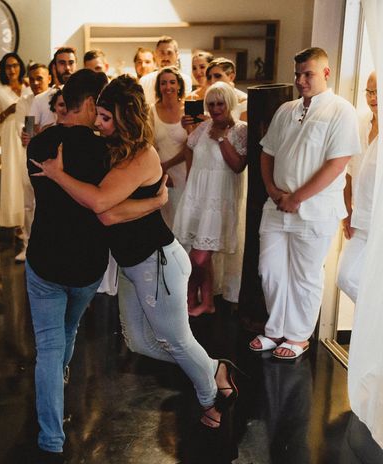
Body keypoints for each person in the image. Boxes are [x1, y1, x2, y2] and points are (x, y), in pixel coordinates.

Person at [32, 74, 240, 439]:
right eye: (96, 115)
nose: (98, 123)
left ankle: (214, 399)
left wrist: (57, 174)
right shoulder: (113, 149)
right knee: (138, 342)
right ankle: (213, 366)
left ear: (125, 118)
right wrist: (156, 200)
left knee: (177, 339)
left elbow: (103, 209)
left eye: (105, 117)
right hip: (132, 265)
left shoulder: (142, 155)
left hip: (158, 260)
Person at [25, 70, 175, 464]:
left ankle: (50, 438)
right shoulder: (107, 151)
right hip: (88, 265)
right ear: (91, 105)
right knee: (67, 333)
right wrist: (158, 197)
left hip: (44, 260)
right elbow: (106, 203)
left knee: (49, 345)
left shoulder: (38, 144)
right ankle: (54, 396)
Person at [250, 47, 360, 360]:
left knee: (305, 274)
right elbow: (267, 152)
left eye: (307, 74)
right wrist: (273, 190)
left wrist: (298, 197)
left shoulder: (342, 110)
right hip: (277, 204)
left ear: (326, 73)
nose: (300, 80)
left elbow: (337, 163)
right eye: (297, 74)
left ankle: (298, 337)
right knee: (269, 270)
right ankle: (274, 329)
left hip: (315, 209)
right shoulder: (286, 110)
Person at [173, 82, 248, 316]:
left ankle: (189, 298)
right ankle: (206, 302)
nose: (216, 108)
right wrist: (190, 179)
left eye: (220, 103)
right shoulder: (202, 127)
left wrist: (222, 139)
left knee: (199, 257)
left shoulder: (240, 130)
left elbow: (238, 166)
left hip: (219, 203)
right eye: (211, 104)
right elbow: (190, 149)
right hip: (197, 198)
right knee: (196, 255)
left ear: (230, 104)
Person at [337, 71, 378, 302]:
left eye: (378, 92)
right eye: (369, 92)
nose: (373, 98)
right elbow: (349, 172)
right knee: (345, 277)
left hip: (379, 220)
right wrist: (347, 211)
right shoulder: (360, 122)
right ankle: (372, 326)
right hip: (360, 219)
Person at [0, 53, 29, 230]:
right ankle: (17, 221)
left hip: (27, 132)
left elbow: (33, 110)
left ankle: (30, 217)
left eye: (15, 65)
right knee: (14, 174)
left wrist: (31, 133)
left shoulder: (28, 86)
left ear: (20, 67)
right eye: (8, 67)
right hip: (10, 135)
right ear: (3, 70)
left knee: (27, 172)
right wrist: (7, 112)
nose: (12, 70)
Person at [14, 63, 51, 263]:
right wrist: (34, 131)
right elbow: (27, 130)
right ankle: (28, 246)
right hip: (29, 156)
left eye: (40, 78)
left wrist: (37, 131)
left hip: (52, 159)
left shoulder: (55, 98)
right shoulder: (25, 101)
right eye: (33, 79)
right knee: (28, 204)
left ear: (49, 78)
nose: (36, 82)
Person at [151, 66, 188, 228]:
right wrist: (162, 171)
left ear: (179, 85)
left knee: (184, 221)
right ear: (158, 87)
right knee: (165, 221)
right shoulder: (151, 111)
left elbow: (192, 145)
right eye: (163, 83)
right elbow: (149, 145)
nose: (168, 87)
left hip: (185, 172)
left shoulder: (188, 110)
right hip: (159, 173)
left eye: (172, 82)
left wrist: (167, 165)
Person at [29, 47, 77, 135]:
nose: (67, 68)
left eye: (71, 63)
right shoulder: (38, 99)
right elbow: (28, 130)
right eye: (62, 63)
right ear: (54, 67)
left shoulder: (84, 96)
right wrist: (41, 133)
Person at [139, 37, 192, 106]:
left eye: (169, 53)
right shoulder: (144, 81)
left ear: (176, 55)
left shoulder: (185, 80)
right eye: (162, 53)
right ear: (155, 55)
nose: (165, 57)